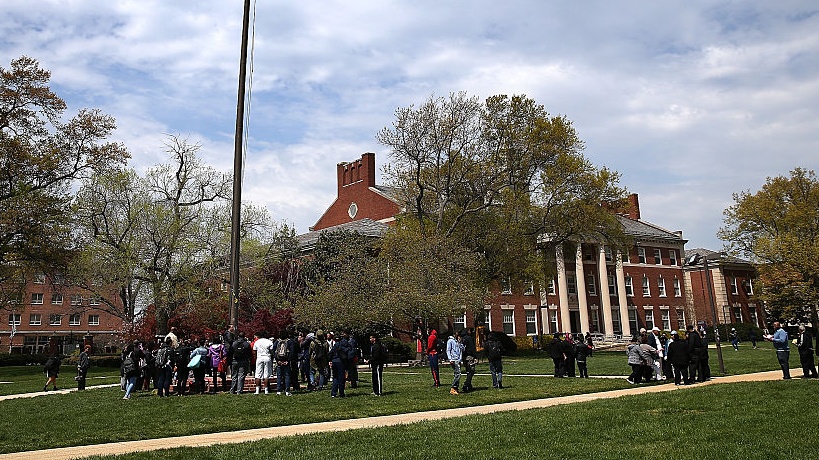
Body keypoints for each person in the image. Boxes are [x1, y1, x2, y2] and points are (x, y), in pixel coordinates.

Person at [329, 332, 350, 398]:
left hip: (334, 361)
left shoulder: (335, 346)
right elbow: (347, 350)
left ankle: (333, 393)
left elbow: (330, 353)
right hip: (340, 362)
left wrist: (330, 360)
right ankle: (341, 393)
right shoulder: (343, 345)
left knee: (335, 377)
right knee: (341, 378)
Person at [274, 330, 294, 396]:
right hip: (286, 361)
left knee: (279, 376)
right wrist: (288, 361)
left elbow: (273, 351)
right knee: (287, 376)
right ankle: (287, 391)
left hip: (279, 360)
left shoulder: (277, 341)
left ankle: (278, 391)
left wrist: (277, 360)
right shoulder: (289, 342)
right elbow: (292, 352)